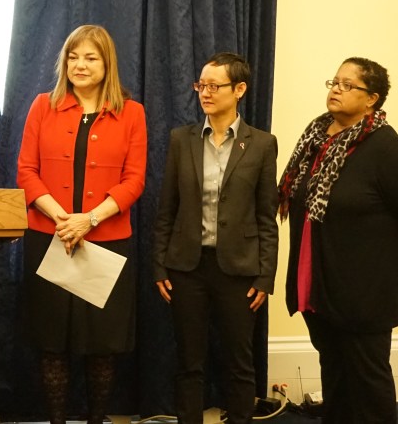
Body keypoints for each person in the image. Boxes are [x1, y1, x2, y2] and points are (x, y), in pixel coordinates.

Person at [16, 24, 147, 424]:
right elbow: (26, 171)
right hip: (49, 238)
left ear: (107, 64)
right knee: (52, 343)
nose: (80, 64)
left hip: (106, 241)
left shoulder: (132, 113)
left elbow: (134, 180)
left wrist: (88, 220)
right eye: (73, 57)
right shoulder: (43, 106)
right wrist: (63, 219)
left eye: (90, 57)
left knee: (100, 345)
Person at [152, 52, 278, 424]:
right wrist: (160, 265)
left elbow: (266, 216)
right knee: (189, 361)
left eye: (214, 85)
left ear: (239, 89)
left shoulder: (261, 144)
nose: (205, 92)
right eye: (200, 85)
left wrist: (265, 276)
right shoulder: (181, 140)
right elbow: (166, 209)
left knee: (239, 363)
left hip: (239, 270)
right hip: (187, 267)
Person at [278, 57, 398, 424]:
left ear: (372, 99)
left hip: (364, 294)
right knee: (334, 374)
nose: (336, 89)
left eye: (349, 85)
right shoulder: (316, 137)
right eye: (335, 81)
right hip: (318, 288)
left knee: (367, 385)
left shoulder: (384, 147)